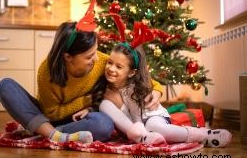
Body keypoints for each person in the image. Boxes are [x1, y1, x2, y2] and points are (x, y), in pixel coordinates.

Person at [0, 21, 164, 143]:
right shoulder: (47, 71)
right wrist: (89, 100)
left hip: (81, 121)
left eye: (96, 51)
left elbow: (140, 76)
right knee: (5, 86)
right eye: (89, 56)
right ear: (68, 57)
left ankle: (45, 133)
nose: (97, 58)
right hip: (49, 116)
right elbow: (52, 114)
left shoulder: (101, 62)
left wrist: (156, 90)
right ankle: (49, 132)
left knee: (103, 125)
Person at [93, 43, 232, 147]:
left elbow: (137, 116)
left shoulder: (133, 88)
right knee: (104, 105)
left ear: (131, 72)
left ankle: (203, 135)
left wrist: (143, 129)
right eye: (110, 63)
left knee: (154, 126)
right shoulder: (105, 87)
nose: (111, 69)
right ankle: (142, 137)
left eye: (118, 66)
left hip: (152, 117)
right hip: (132, 128)